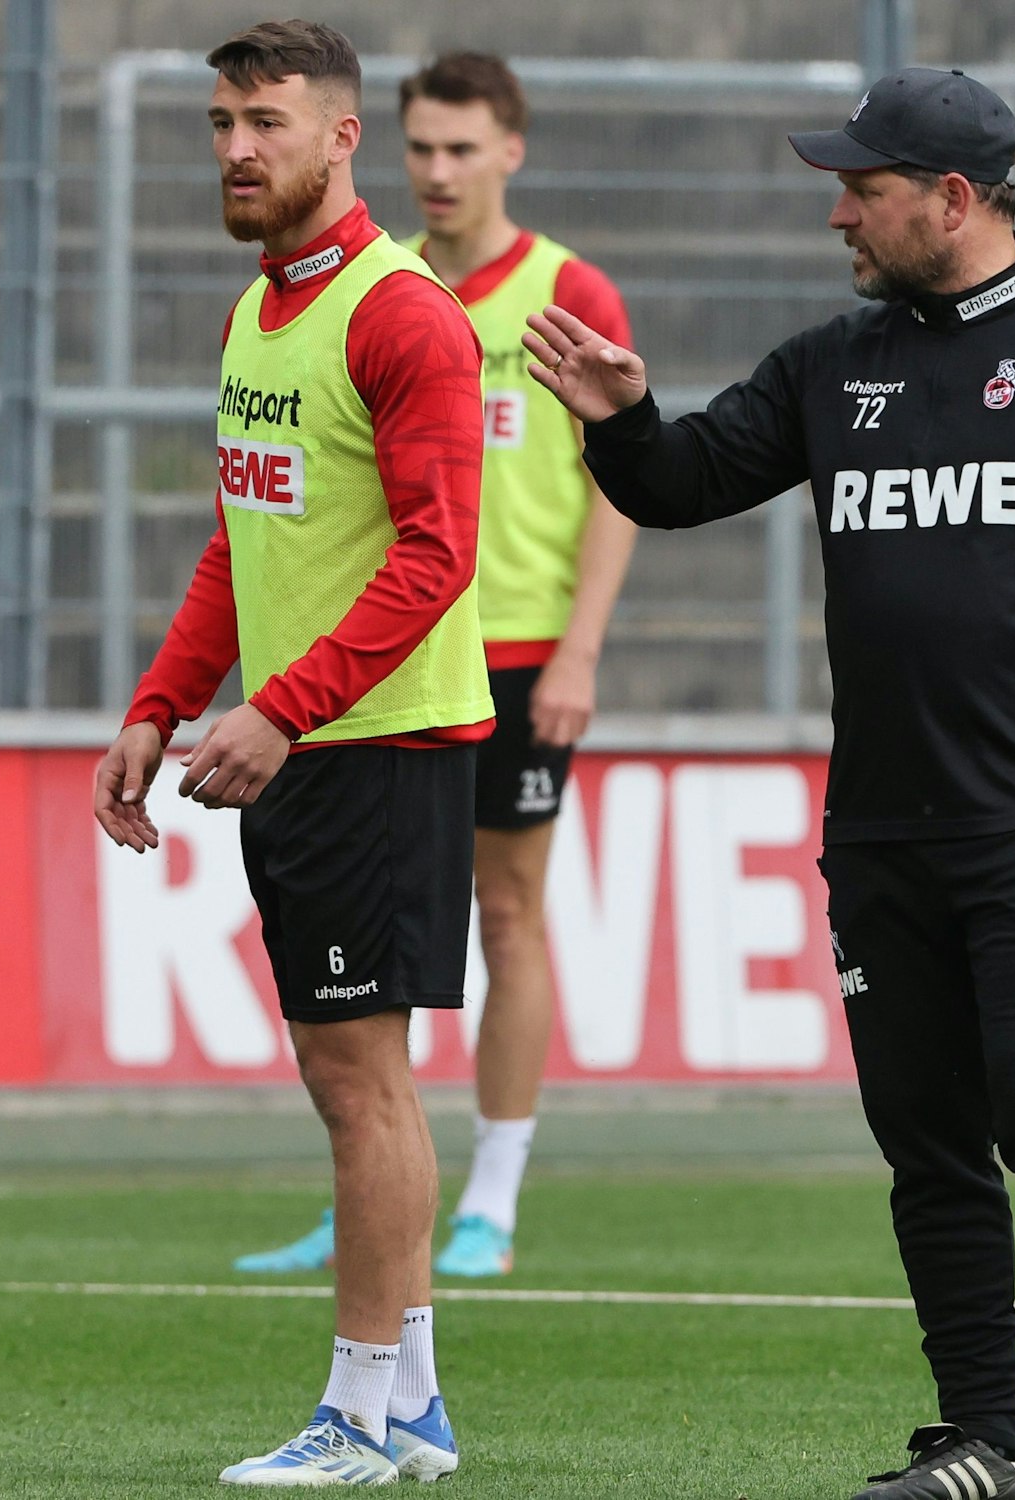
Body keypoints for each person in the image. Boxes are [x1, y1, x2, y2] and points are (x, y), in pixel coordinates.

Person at [526, 66, 1015, 1500]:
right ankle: (980, 1436)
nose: (841, 215)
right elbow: (678, 485)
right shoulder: (829, 366)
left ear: (955, 200)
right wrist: (622, 417)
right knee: (926, 1145)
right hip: (880, 827)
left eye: (862, 191)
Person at [92, 20, 489, 1485]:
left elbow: (442, 557)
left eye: (264, 121)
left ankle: (359, 1415)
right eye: (218, 122)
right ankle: (417, 1408)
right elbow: (241, 537)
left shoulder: (401, 315)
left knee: (360, 1084)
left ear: (342, 139)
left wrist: (284, 707)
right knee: (352, 1077)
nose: (236, 149)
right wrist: (158, 702)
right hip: (311, 742)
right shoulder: (263, 312)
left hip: (377, 745)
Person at [233, 52, 638, 1283]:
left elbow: (617, 478)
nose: (440, 171)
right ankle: (377, 1202)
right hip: (394, 655)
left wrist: (578, 646)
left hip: (510, 653)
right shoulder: (381, 285)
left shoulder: (567, 290)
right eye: (422, 149)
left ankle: (493, 1199)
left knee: (507, 913)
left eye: (464, 149)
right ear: (384, 147)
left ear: (510, 151)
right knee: (368, 987)